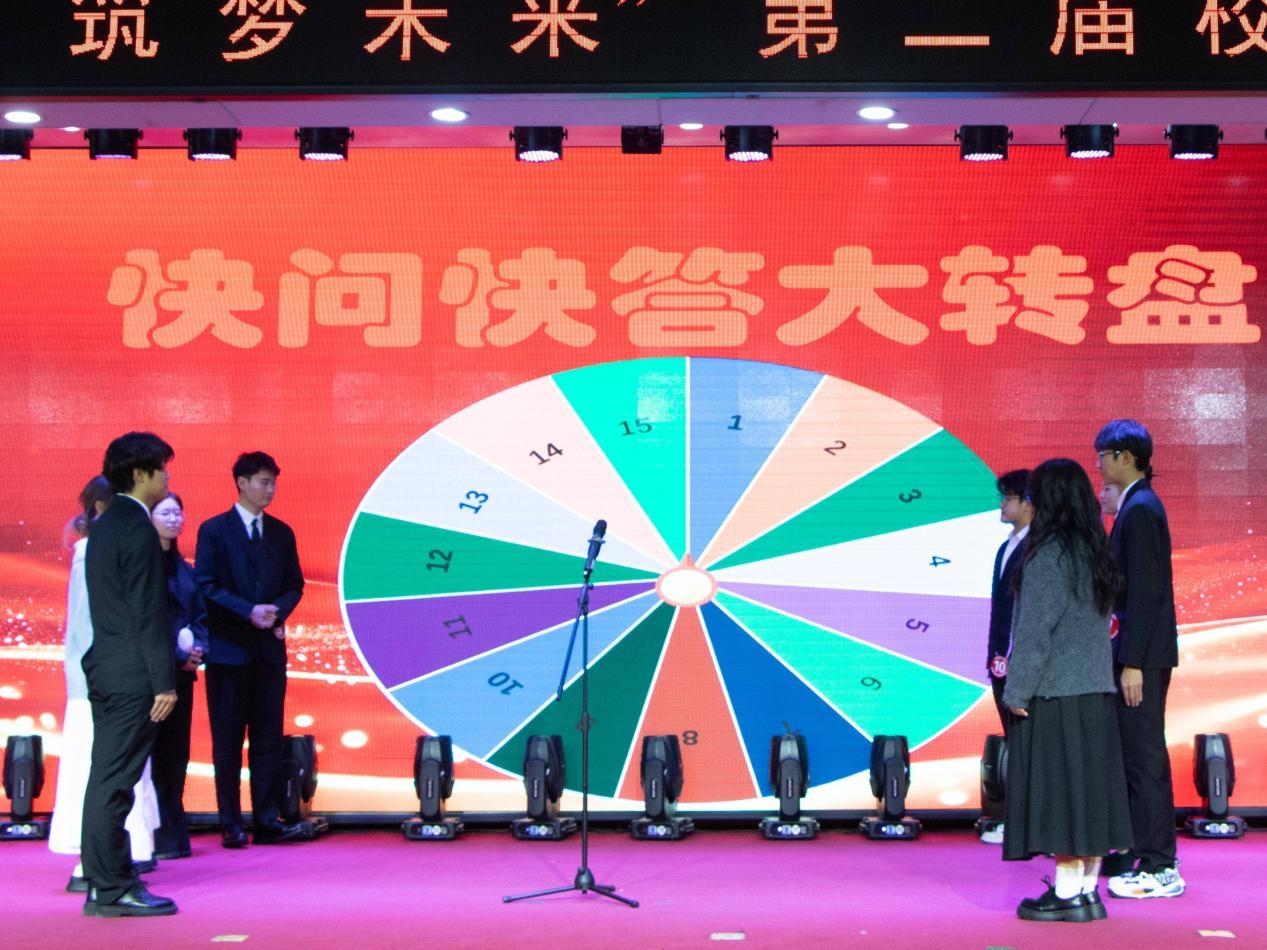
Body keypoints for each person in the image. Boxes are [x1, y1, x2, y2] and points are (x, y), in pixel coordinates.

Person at [1002, 458, 1133, 923]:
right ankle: (1084, 891)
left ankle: (1064, 892)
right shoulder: (1094, 551)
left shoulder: (1049, 556)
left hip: (1056, 693)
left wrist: (1016, 692)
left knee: (1060, 794)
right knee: (1088, 794)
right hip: (1095, 692)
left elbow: (1034, 634)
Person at [81, 432, 178, 918]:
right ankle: (112, 886)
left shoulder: (105, 524)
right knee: (115, 783)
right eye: (161, 469)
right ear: (140, 473)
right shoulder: (136, 527)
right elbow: (147, 612)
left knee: (107, 778)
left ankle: (104, 881)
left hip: (108, 667)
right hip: (132, 676)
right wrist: (164, 681)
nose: (167, 477)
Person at [48, 476, 161, 893]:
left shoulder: (111, 548)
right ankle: (92, 863)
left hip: (120, 678)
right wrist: (91, 678)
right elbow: (86, 625)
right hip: (99, 683)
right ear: (101, 508)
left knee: (124, 772)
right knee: (99, 773)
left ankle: (119, 857)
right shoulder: (90, 552)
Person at [196, 451, 306, 847]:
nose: (270, 489)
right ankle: (230, 822)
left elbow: (295, 584)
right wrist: (248, 611)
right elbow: (206, 585)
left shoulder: (281, 533)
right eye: (263, 482)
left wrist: (276, 611)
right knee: (227, 742)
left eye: (273, 482)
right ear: (242, 483)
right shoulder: (214, 530)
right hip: (228, 653)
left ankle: (267, 819)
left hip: (269, 654)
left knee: (267, 740)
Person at [1094, 419, 1184, 899]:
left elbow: (1148, 594)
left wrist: (1132, 662)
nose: (1098, 466)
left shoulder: (1142, 509)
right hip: (1134, 653)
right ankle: (1137, 851)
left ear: (1125, 457)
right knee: (1134, 757)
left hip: (1141, 658)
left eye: (1102, 456)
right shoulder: (1134, 506)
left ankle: (1160, 866)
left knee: (1145, 758)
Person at [150, 493, 209, 860]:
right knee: (153, 755)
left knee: (176, 755)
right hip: (153, 677)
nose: (173, 519)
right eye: (165, 513)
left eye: (177, 513)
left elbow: (199, 615)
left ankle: (172, 834)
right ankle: (152, 834)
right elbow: (150, 622)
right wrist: (176, 655)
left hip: (183, 676)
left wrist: (198, 650)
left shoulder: (184, 568)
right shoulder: (144, 565)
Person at [988, 468, 1032, 732]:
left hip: (1022, 664)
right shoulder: (1005, 547)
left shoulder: (1038, 548)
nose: (1001, 504)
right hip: (1000, 661)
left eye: (1008, 498)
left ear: (1028, 503)